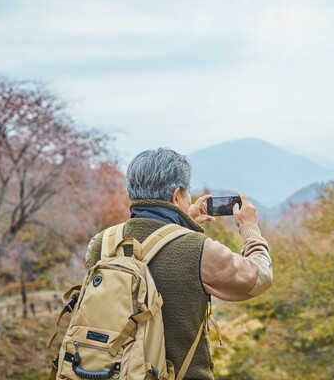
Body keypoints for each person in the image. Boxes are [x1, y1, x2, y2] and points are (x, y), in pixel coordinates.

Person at [85, 148, 273, 380]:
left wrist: (181, 224)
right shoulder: (197, 249)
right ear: (176, 196)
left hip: (107, 372)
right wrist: (249, 227)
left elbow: (151, 257)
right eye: (187, 194)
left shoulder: (101, 243)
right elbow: (259, 277)